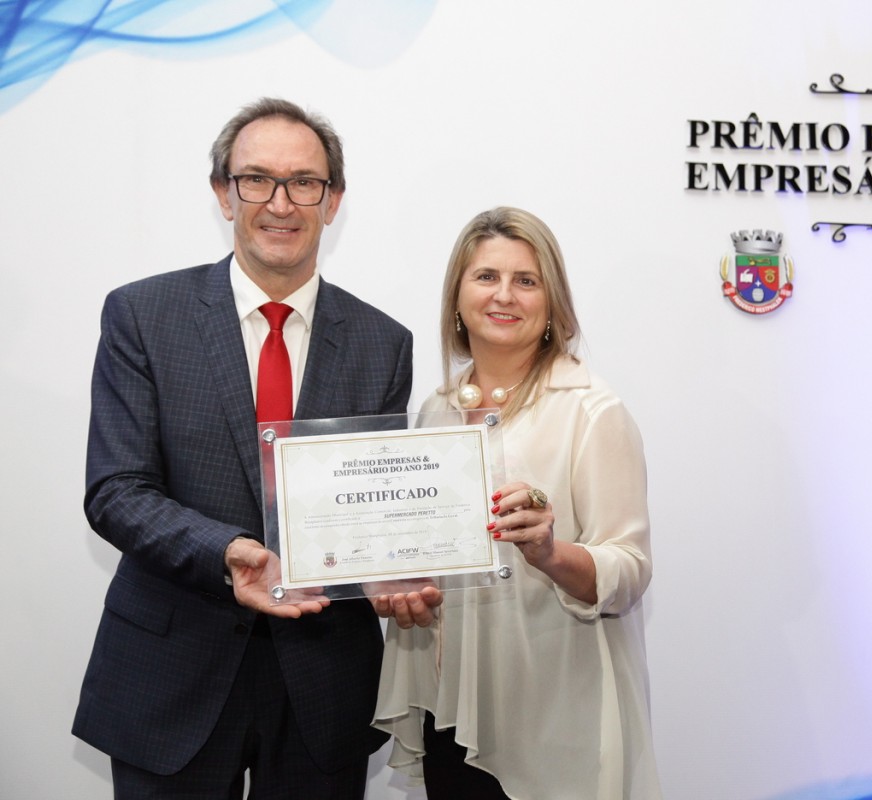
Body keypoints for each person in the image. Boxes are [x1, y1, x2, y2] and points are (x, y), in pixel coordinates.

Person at [73, 97, 416, 798]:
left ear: (334, 200)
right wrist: (229, 552)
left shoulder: (384, 343)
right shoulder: (143, 315)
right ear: (223, 194)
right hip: (171, 672)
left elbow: (373, 511)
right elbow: (116, 491)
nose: (280, 203)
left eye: (304, 182)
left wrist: (403, 565)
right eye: (257, 179)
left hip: (324, 681)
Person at [372, 207, 663, 798]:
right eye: (486, 276)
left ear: (552, 302)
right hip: (449, 709)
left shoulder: (591, 411)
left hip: (554, 718)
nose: (504, 295)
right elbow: (430, 557)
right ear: (457, 296)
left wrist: (550, 553)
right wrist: (402, 583)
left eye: (526, 281)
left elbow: (629, 572)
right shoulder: (437, 409)